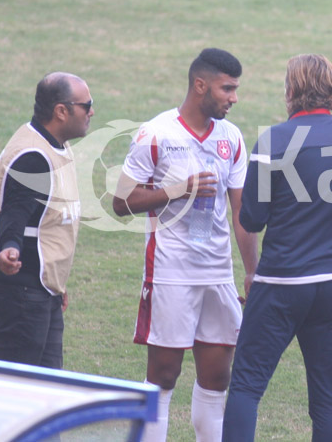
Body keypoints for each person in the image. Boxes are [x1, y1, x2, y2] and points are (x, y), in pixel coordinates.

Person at [112, 48, 258, 442]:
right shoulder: (156, 134)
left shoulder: (232, 137)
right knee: (162, 376)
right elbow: (120, 203)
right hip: (171, 272)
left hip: (217, 274)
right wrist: (178, 190)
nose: (234, 98)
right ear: (200, 85)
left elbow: (242, 213)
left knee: (216, 378)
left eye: (236, 89)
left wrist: (251, 273)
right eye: (227, 89)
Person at [222, 54, 332, 442]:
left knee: (246, 387)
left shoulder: (274, 140)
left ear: (292, 91)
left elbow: (251, 218)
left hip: (282, 280)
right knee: (328, 399)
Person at [0, 72, 94, 368]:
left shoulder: (54, 144)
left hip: (39, 287)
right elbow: (13, 211)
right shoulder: (33, 157)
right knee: (15, 389)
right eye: (86, 105)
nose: (92, 111)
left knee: (45, 388)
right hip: (20, 288)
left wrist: (55, 284)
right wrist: (9, 247)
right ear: (61, 111)